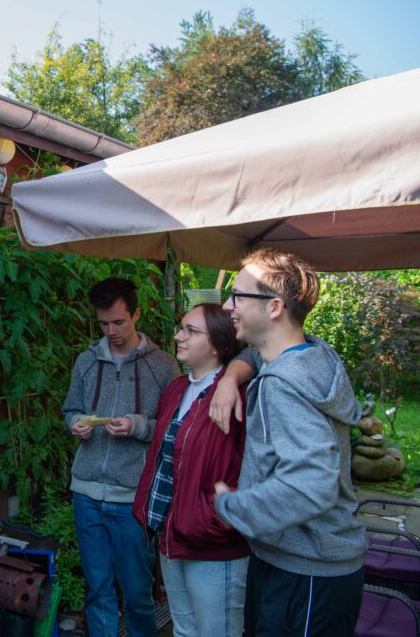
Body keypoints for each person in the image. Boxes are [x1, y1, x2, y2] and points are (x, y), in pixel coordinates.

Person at [213, 248, 366, 636]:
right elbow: (254, 354)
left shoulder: (284, 385)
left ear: (274, 307)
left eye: (238, 295)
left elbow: (314, 479)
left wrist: (238, 507)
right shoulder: (312, 357)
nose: (228, 306)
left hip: (306, 571)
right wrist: (232, 378)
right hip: (300, 561)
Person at [63, 277, 180, 637]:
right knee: (98, 591)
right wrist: (75, 424)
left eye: (118, 322)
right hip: (86, 494)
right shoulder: (85, 361)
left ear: (136, 315)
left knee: (137, 593)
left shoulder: (162, 366)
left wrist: (138, 425)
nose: (110, 331)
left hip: (133, 498)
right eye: (102, 323)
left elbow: (172, 427)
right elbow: (70, 409)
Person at [134, 303, 250, 637]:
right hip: (172, 535)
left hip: (214, 543)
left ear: (218, 344)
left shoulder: (238, 394)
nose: (178, 336)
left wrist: (218, 518)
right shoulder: (176, 389)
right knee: (184, 631)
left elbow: (254, 463)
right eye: (181, 327)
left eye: (190, 331)